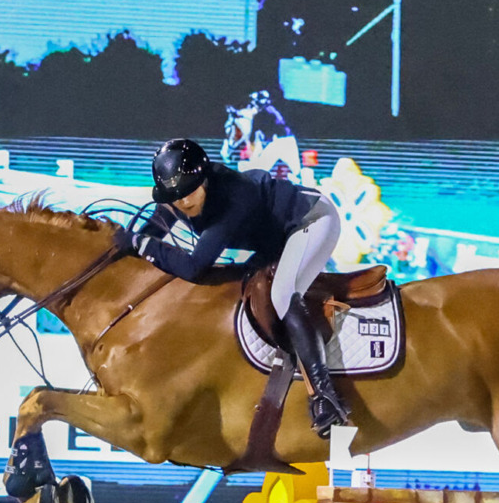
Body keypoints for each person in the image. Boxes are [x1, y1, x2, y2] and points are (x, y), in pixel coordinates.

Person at [122, 137, 350, 435]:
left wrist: (142, 244)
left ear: (204, 179)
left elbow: (194, 266)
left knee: (282, 294)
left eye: (190, 193)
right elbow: (153, 232)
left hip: (311, 220)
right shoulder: (179, 196)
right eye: (176, 197)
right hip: (275, 239)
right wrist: (130, 245)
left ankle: (325, 396)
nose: (184, 202)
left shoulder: (232, 198)